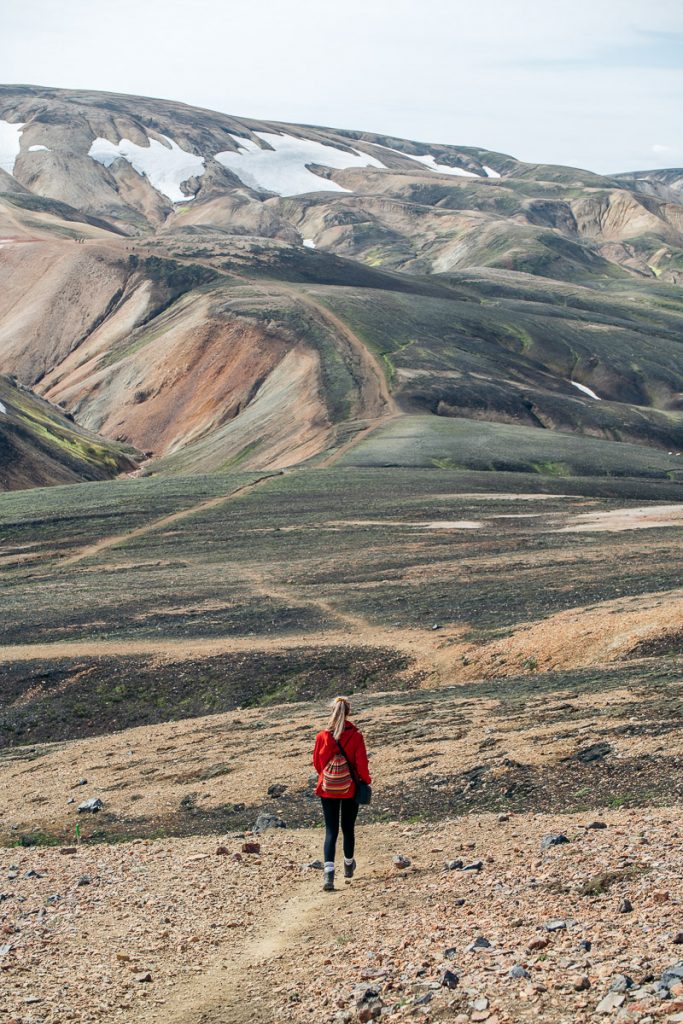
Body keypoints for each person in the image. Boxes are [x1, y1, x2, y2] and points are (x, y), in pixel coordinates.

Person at [312, 696, 371, 892]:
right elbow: (362, 764)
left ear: (333, 711)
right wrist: (365, 781)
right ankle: (348, 864)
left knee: (331, 830)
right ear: (348, 713)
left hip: (327, 789)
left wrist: (328, 777)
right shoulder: (355, 736)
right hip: (350, 787)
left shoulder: (322, 736)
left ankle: (328, 874)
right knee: (348, 827)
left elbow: (317, 764)